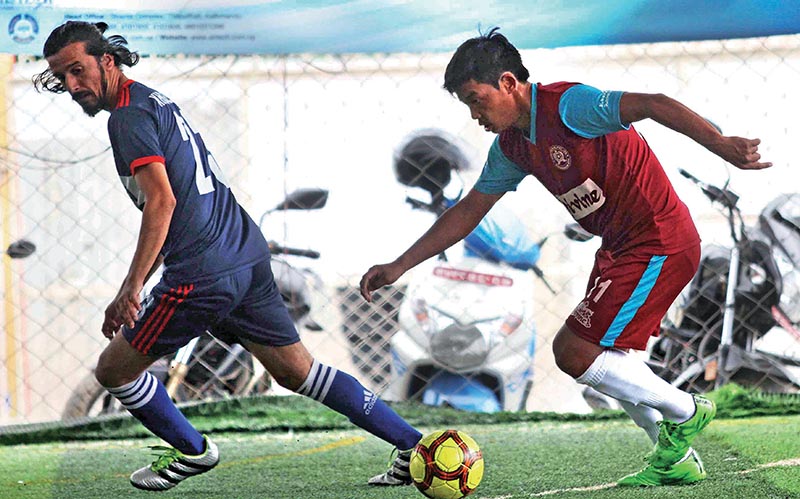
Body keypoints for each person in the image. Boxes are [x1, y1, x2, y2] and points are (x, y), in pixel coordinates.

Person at [361, 27, 772, 487]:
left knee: (574, 352)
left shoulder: (570, 106)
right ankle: (674, 456)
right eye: (466, 105)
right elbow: (469, 210)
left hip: (658, 240)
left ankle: (687, 410)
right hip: (620, 249)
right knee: (613, 361)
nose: (475, 114)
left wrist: (722, 145)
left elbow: (654, 103)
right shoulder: (512, 147)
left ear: (509, 84)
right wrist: (399, 265)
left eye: (477, 99)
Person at [33, 21, 421, 491]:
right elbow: (174, 211)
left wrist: (130, 289)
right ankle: (413, 446)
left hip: (202, 273)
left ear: (107, 62)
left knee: (113, 370)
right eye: (61, 78)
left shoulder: (126, 119)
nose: (73, 87)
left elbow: (162, 203)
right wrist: (144, 276)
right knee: (298, 371)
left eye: (78, 71)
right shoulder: (152, 100)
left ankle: (193, 451)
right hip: (246, 254)